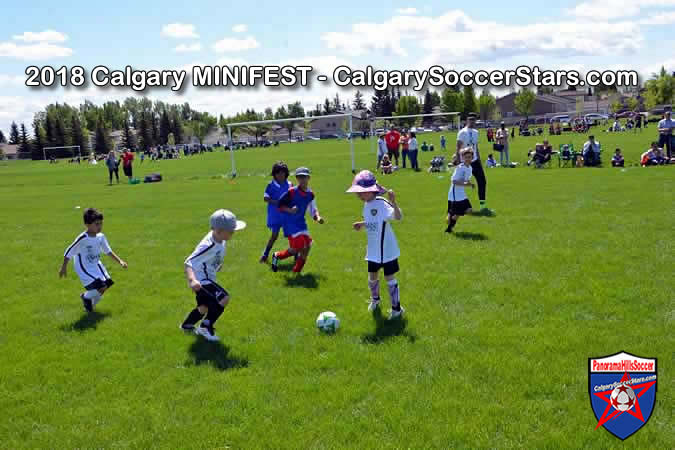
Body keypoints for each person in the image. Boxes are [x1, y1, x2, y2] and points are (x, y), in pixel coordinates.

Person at [180, 209, 246, 341]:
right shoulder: (208, 245)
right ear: (219, 231)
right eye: (231, 231)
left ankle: (187, 325)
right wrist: (192, 280)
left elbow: (213, 256)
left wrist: (215, 265)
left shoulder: (220, 238)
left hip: (208, 276)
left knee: (203, 308)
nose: (233, 233)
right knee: (224, 298)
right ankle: (205, 326)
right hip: (202, 280)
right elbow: (188, 262)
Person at [346, 170, 404, 319]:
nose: (358, 195)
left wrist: (394, 202)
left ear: (372, 190)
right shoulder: (367, 204)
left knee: (389, 278)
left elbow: (398, 217)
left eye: (361, 192)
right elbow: (375, 221)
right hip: (373, 249)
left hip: (387, 250)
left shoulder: (382, 203)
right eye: (357, 192)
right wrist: (363, 224)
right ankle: (375, 300)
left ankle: (397, 309)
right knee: (372, 276)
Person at [59, 208, 128, 313]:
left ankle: (90, 307)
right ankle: (85, 298)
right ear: (87, 224)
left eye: (101, 224)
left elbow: (108, 251)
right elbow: (69, 250)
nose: (99, 227)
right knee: (100, 287)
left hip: (96, 265)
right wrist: (63, 267)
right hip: (84, 267)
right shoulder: (83, 238)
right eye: (96, 224)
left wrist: (120, 261)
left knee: (106, 285)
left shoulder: (101, 237)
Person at [271, 167, 325, 273]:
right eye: (299, 177)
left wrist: (318, 217)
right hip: (290, 224)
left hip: (301, 223)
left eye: (304, 177)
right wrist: (290, 210)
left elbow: (313, 210)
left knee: (306, 247)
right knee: (301, 247)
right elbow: (279, 205)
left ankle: (279, 258)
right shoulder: (291, 192)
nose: (302, 179)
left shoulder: (310, 194)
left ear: (309, 178)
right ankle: (294, 270)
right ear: (296, 178)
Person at [456, 114, 493, 215]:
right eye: (470, 120)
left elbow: (476, 147)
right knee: (460, 184)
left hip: (475, 161)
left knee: (482, 182)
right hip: (465, 162)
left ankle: (483, 207)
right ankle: (458, 208)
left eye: (474, 120)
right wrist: (459, 163)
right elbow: (458, 147)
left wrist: (479, 160)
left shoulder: (476, 132)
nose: (472, 121)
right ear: (467, 120)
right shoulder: (462, 132)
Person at [260, 162, 292, 263]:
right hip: (276, 215)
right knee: (274, 236)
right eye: (278, 173)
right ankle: (265, 254)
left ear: (286, 173)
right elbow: (265, 198)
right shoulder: (271, 185)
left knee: (292, 235)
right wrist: (277, 202)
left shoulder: (290, 184)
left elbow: (293, 197)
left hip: (287, 214)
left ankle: (296, 254)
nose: (280, 175)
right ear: (274, 174)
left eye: (282, 173)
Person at [446, 147, 475, 233]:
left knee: (468, 210)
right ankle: (450, 221)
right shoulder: (460, 168)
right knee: (463, 211)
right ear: (462, 158)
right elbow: (454, 181)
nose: (468, 159)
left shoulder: (470, 168)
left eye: (469, 157)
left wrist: (470, 184)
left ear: (472, 158)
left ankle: (450, 219)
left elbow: (466, 179)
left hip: (461, 193)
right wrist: (466, 184)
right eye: (466, 157)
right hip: (455, 194)